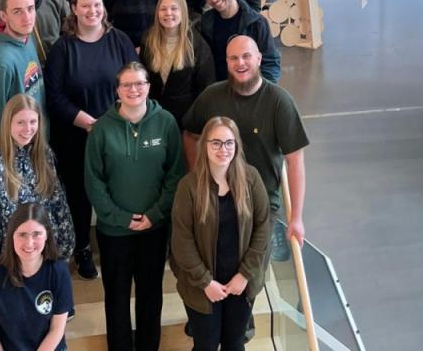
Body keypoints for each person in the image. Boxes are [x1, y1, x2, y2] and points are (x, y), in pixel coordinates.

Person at [84, 61, 183, 351]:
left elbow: (175, 175)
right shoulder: (101, 129)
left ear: (148, 87)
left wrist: (154, 215)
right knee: (116, 299)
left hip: (154, 229)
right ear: (117, 90)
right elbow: (93, 182)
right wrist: (120, 218)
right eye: (126, 84)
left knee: (151, 297)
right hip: (115, 232)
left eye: (139, 83)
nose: (133, 90)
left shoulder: (165, 122)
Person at [182, 36, 308, 256]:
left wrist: (296, 218)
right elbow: (190, 134)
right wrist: (197, 174)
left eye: (246, 56)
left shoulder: (279, 102)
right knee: (217, 263)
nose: (240, 63)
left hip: (261, 205)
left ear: (259, 58)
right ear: (227, 62)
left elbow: (295, 160)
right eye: (233, 58)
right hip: (217, 202)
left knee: (253, 268)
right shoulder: (211, 97)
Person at [44, 0, 137, 280]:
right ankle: (82, 248)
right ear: (74, 9)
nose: (92, 11)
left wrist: (113, 120)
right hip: (75, 137)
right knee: (80, 195)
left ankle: (121, 244)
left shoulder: (119, 40)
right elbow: (54, 96)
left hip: (118, 131)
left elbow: (134, 81)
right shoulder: (62, 49)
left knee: (120, 189)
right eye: (85, 5)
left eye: (97, 5)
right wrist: (88, 123)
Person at [171, 115, 270, 351]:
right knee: (205, 345)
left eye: (229, 143)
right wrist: (205, 282)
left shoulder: (251, 179)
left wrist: (244, 275)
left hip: (241, 284)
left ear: (237, 146)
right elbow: (182, 242)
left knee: (234, 343)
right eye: (215, 143)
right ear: (204, 145)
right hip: (201, 286)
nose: (223, 149)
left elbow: (263, 228)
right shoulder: (189, 186)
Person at [0, 95, 74, 277]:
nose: (28, 129)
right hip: (10, 265)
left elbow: (59, 205)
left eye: (33, 122)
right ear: (8, 124)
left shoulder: (44, 155)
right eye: (20, 122)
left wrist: (64, 254)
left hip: (46, 257)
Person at [0, 203, 74, 351]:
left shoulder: (59, 272)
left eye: (36, 234)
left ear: (47, 235)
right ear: (11, 236)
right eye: (22, 235)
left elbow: (56, 330)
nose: (29, 243)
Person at [0, 0, 45, 154]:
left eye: (30, 9)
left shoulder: (27, 38)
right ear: (3, 16)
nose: (27, 18)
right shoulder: (0, 62)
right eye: (17, 12)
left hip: (36, 145)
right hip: (15, 156)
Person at [139, 0, 215, 127]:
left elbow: (206, 87)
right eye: (163, 9)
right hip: (154, 116)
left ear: (183, 12)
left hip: (185, 120)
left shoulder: (197, 44)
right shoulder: (148, 40)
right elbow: (143, 78)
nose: (168, 13)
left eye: (174, 8)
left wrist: (195, 122)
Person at [198, 0, 279, 82]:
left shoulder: (257, 23)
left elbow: (270, 64)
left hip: (249, 87)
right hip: (218, 88)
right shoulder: (206, 22)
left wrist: (261, 90)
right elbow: (204, 64)